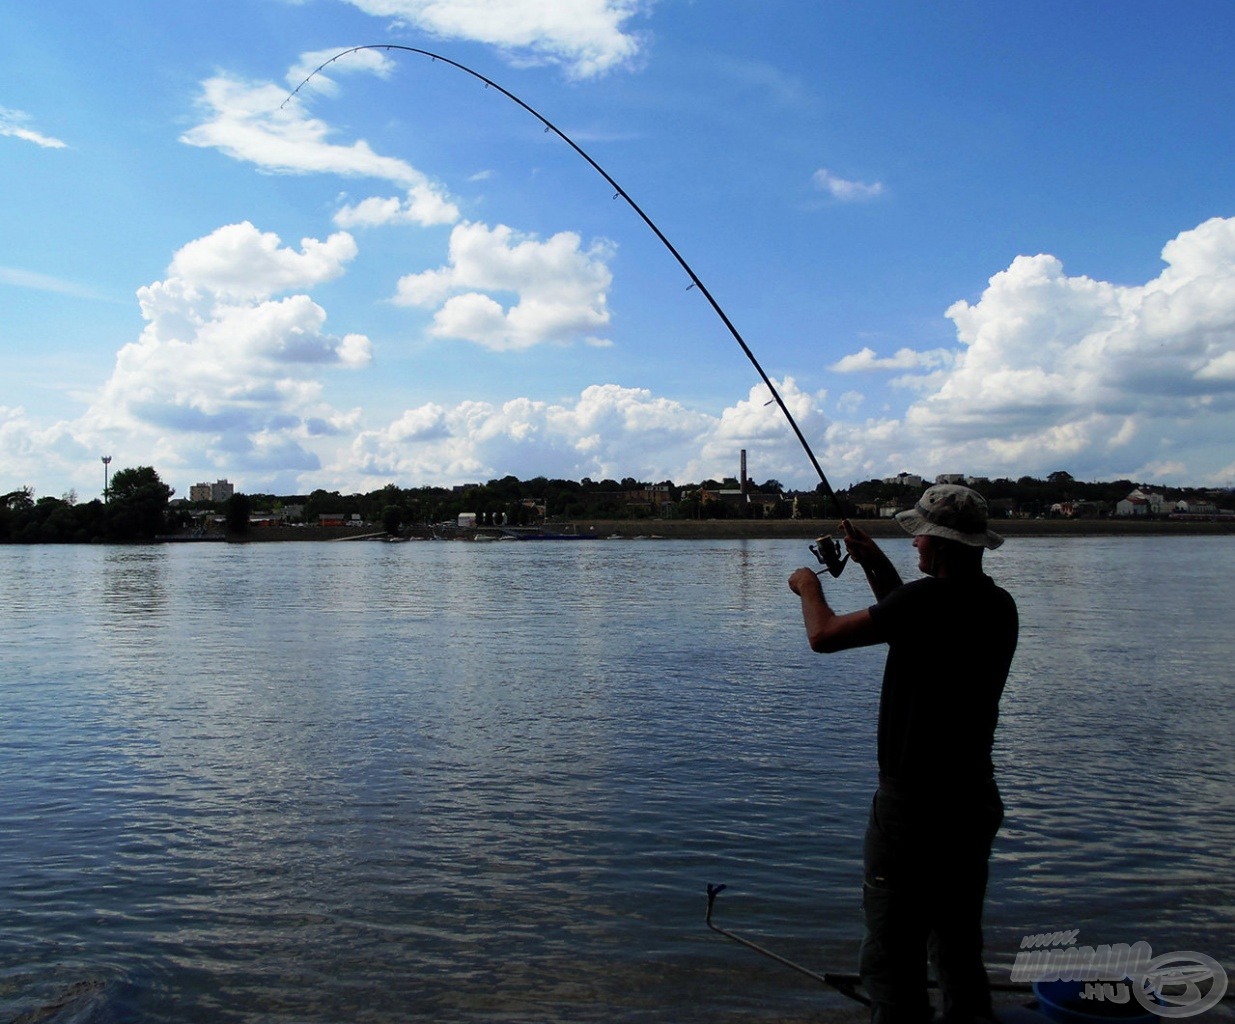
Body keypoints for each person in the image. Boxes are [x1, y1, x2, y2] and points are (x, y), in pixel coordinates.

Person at [788, 484, 1018, 1024]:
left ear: (939, 542)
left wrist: (805, 588)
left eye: (918, 537)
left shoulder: (925, 603)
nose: (913, 544)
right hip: (972, 801)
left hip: (912, 811)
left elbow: (824, 637)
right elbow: (911, 619)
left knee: (893, 959)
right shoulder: (996, 604)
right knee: (959, 948)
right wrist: (873, 561)